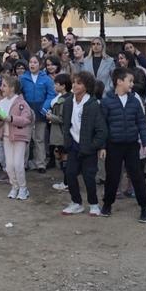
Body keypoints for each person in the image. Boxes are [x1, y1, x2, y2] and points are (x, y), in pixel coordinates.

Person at [99, 68, 146, 223]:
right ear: (119, 81)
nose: (132, 84)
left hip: (131, 145)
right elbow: (102, 126)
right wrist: (102, 147)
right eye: (130, 80)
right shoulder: (107, 101)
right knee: (112, 177)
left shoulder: (134, 100)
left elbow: (141, 123)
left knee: (137, 176)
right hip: (113, 145)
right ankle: (107, 204)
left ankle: (145, 207)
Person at [60, 71, 106, 215]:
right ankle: (76, 202)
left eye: (79, 83)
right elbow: (65, 124)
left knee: (89, 176)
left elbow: (101, 130)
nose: (75, 85)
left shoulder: (93, 105)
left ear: (87, 87)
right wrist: (67, 141)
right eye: (74, 82)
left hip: (89, 147)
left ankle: (94, 204)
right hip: (73, 145)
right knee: (70, 174)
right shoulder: (68, 102)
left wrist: (95, 146)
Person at [0, 75, 34, 200]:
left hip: (19, 136)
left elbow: (26, 119)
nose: (1, 88)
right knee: (9, 165)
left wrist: (11, 118)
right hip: (6, 136)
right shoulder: (1, 102)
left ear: (12, 88)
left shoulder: (21, 103)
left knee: (18, 164)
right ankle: (14, 186)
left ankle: (23, 188)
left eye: (4, 85)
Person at [19, 54, 55, 173]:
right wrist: (24, 107)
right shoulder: (23, 78)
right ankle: (23, 163)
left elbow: (51, 94)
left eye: (35, 62)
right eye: (30, 62)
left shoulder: (46, 79)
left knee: (40, 138)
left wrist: (45, 107)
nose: (32, 64)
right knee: (26, 138)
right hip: (27, 112)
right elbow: (20, 94)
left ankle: (41, 163)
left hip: (40, 111)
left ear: (40, 65)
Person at [45, 73, 72, 190]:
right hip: (64, 133)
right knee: (63, 157)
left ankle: (67, 183)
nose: (54, 87)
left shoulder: (63, 100)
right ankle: (67, 182)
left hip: (62, 134)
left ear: (63, 86)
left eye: (56, 84)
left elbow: (62, 119)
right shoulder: (69, 98)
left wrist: (50, 117)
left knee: (64, 157)